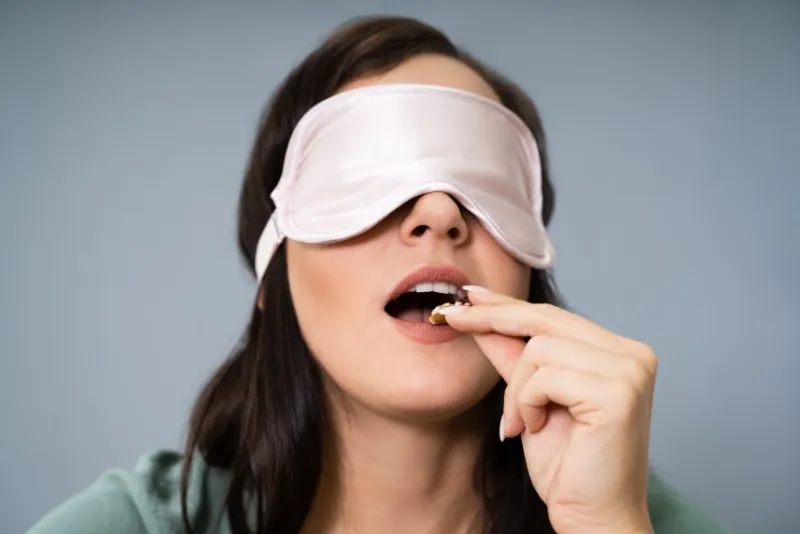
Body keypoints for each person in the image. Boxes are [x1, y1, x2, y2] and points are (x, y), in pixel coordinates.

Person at [27, 15, 727, 534]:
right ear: (275, 272)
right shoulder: (129, 525)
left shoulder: (635, 520)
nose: (438, 214)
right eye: (367, 179)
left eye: (481, 186)